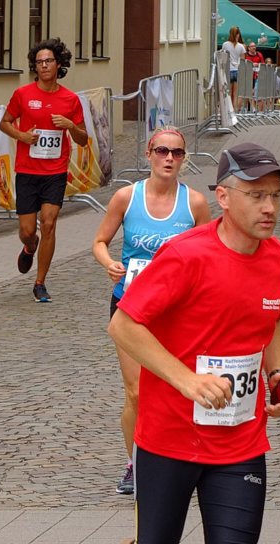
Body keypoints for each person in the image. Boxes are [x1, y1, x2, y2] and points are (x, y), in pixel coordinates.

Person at [91, 143, 280, 544]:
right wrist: (187, 380)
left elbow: (272, 318)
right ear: (223, 197)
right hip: (170, 439)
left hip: (239, 441)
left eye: (276, 196)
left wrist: (277, 374)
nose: (269, 207)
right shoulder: (185, 255)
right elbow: (123, 325)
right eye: (256, 195)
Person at [91, 127, 211, 496]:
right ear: (149, 153)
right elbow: (99, 241)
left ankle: (178, 462)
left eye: (176, 153)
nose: (169, 159)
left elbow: (210, 253)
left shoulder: (194, 203)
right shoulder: (127, 197)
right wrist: (109, 262)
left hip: (177, 311)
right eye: (162, 151)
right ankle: (135, 463)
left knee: (175, 389)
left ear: (184, 157)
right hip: (131, 306)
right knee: (137, 393)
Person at [0, 38, 87, 302]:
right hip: (27, 170)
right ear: (35, 67)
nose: (44, 66)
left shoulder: (70, 99)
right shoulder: (23, 95)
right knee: (28, 230)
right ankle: (29, 247)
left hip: (55, 171)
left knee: (48, 223)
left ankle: (40, 282)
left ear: (58, 64)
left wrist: (70, 125)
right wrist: (22, 136)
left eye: (48, 61)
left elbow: (83, 139)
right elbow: (4, 123)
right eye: (39, 62)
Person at [221, 26, 246, 111]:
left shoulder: (225, 44)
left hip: (228, 70)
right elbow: (243, 60)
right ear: (238, 35)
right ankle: (234, 111)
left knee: (228, 92)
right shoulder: (241, 46)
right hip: (237, 70)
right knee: (235, 94)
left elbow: (223, 57)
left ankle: (228, 110)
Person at [243, 42, 265, 113]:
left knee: (254, 93)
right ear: (248, 48)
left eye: (254, 46)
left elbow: (263, 64)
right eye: (252, 46)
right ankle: (248, 108)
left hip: (257, 76)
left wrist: (258, 65)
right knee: (249, 92)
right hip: (247, 76)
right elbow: (243, 63)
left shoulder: (259, 54)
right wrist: (251, 65)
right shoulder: (245, 55)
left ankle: (254, 109)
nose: (254, 47)